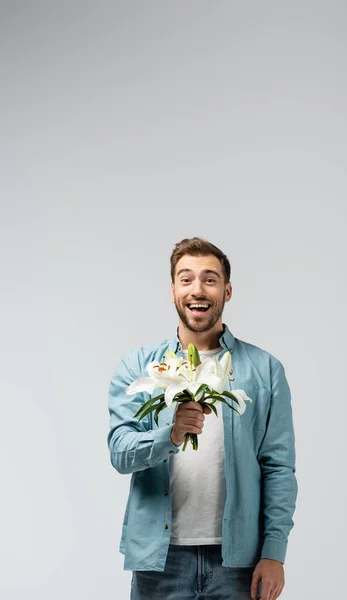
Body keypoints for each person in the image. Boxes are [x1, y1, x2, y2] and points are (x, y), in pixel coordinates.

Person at [107, 237, 298, 600]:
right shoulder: (139, 367)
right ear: (173, 290)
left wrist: (274, 552)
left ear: (227, 291)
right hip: (161, 560)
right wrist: (172, 434)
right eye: (186, 278)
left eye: (209, 279)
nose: (198, 289)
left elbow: (278, 468)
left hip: (239, 561)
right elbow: (119, 453)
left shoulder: (265, 370)